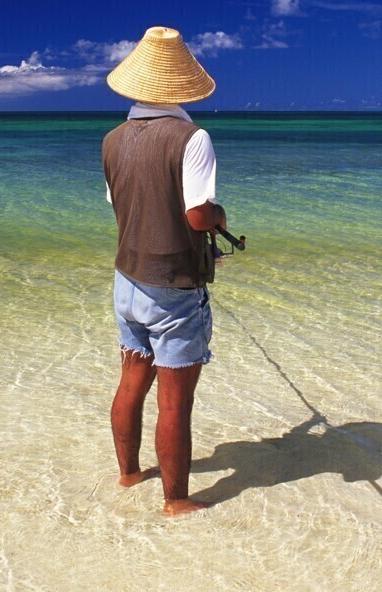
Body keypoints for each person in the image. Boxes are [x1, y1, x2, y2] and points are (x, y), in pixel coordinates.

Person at [101, 25, 228, 516]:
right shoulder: (192, 137)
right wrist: (219, 218)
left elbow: (124, 204)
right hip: (173, 290)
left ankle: (129, 473)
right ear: (182, 86)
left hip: (125, 281)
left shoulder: (112, 140)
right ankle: (176, 502)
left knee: (132, 381)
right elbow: (197, 215)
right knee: (175, 402)